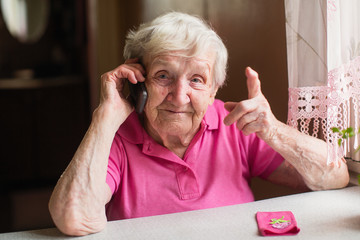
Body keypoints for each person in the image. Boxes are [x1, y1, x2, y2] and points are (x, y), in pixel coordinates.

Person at [48, 12, 349, 236]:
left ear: (214, 88)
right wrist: (105, 116)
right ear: (138, 81)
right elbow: (75, 218)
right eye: (163, 75)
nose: (179, 98)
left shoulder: (233, 125)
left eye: (196, 79)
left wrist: (272, 129)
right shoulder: (117, 138)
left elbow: (335, 176)